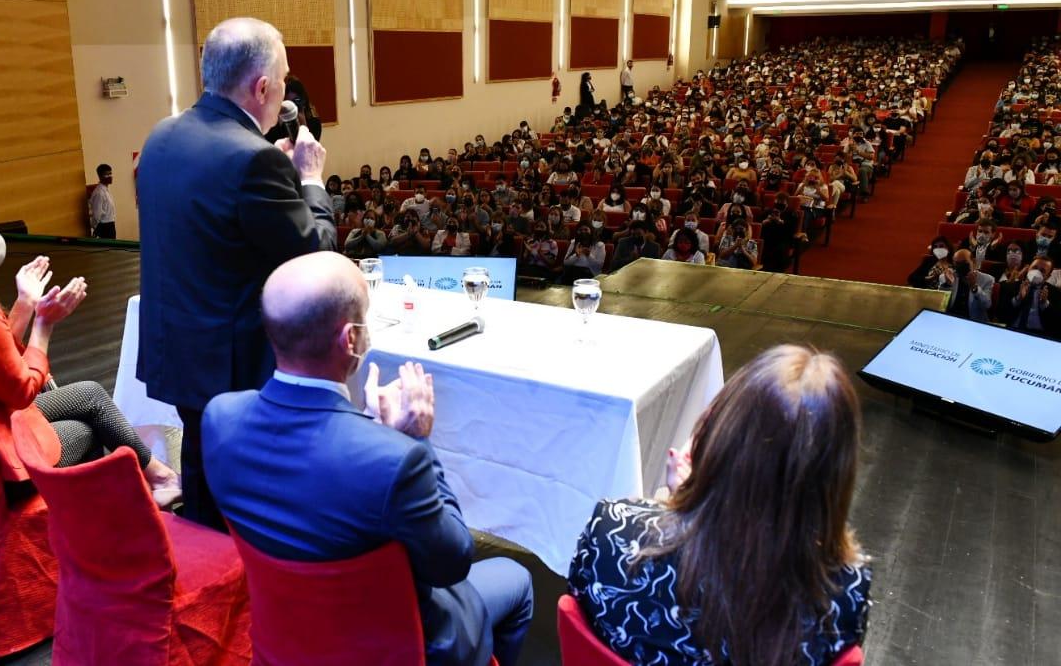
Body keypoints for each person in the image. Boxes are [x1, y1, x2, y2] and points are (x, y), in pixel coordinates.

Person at [202, 253, 534, 666]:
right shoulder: (395, 461)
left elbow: (313, 478)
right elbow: (453, 562)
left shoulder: (220, 417)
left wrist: (366, 431)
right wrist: (415, 440)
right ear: (351, 339)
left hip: (285, 634)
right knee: (518, 581)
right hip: (396, 647)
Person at [137, 17, 337, 527]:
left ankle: (207, 573)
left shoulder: (162, 137)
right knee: (246, 487)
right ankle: (243, 580)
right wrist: (310, 183)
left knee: (201, 467)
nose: (287, 92)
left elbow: (213, 228)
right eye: (285, 79)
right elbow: (315, 253)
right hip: (232, 360)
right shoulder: (253, 161)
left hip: (178, 346)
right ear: (263, 86)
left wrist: (271, 174)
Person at [568, 345, 870, 666]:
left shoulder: (610, 532)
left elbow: (582, 606)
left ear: (720, 433)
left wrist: (675, 505)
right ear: (835, 476)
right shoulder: (844, 592)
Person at [0, 192, 181, 505]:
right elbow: (21, 390)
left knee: (89, 394)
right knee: (87, 430)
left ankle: (158, 475)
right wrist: (44, 325)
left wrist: (26, 302)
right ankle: (95, 519)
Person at [942, 249, 994, 323]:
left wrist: (974, 287)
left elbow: (987, 305)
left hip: (973, 321)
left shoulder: (987, 279)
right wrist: (947, 285)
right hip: (951, 319)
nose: (960, 266)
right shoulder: (948, 276)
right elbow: (941, 304)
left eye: (964, 263)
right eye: (957, 263)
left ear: (973, 262)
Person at [88, 163, 117, 239]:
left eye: (110, 174)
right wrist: (98, 230)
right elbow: (97, 215)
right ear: (100, 176)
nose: (110, 176)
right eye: (106, 174)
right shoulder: (99, 193)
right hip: (104, 227)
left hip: (110, 225)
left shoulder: (106, 190)